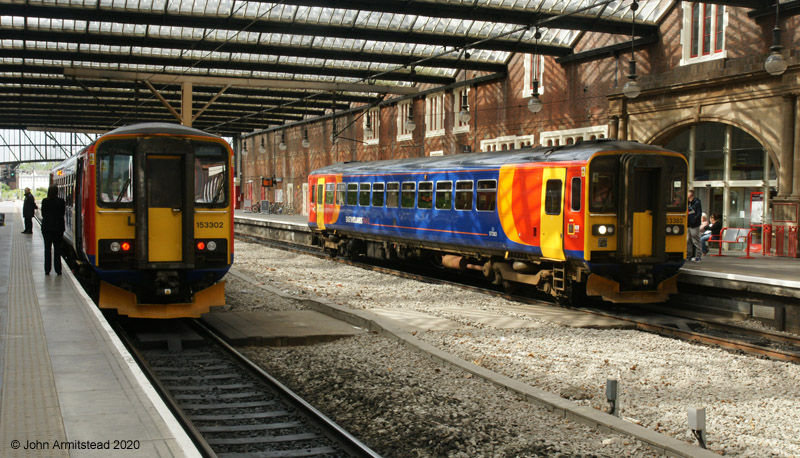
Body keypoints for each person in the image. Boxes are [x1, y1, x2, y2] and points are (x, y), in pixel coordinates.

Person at [40, 185, 66, 275]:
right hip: (58, 229)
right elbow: (62, 213)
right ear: (57, 192)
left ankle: (47, 270)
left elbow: (43, 214)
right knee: (57, 249)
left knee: (47, 249)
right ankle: (58, 270)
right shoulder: (61, 201)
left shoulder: (45, 201)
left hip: (46, 228)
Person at [686, 189, 703, 261]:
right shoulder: (688, 203)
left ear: (690, 195)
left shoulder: (696, 203)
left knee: (695, 240)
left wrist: (694, 221)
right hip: (689, 224)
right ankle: (688, 255)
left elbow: (697, 213)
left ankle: (698, 256)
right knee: (688, 240)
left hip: (694, 225)